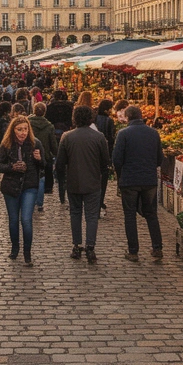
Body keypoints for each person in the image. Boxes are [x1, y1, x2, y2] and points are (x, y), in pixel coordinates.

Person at [57, 105, 111, 263]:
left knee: (75, 213)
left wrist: (63, 178)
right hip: (93, 182)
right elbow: (105, 161)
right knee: (92, 215)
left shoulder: (67, 137)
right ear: (90, 118)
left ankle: (77, 245)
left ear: (75, 118)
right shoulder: (99, 137)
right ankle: (90, 246)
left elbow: (60, 163)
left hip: (74, 181)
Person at [112, 105, 164, 262]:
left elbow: (117, 159)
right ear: (141, 116)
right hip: (149, 180)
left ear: (127, 117)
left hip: (129, 180)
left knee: (130, 215)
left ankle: (133, 251)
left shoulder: (123, 134)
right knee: (151, 214)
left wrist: (120, 175)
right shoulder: (153, 133)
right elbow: (160, 158)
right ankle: (157, 248)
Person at [0, 114, 44, 265]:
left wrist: (39, 159)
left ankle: (27, 252)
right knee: (13, 219)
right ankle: (15, 247)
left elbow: (44, 166)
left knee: (26, 219)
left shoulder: (35, 143)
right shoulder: (7, 144)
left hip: (29, 185)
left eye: (25, 129)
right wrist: (12, 167)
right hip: (11, 185)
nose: (23, 132)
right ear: (13, 130)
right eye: (19, 129)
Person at [28, 103, 59, 210]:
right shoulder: (49, 126)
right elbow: (53, 143)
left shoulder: (28, 123)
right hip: (45, 155)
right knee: (41, 178)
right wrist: (56, 153)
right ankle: (40, 202)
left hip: (30, 153)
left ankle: (31, 200)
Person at [93, 99, 117, 210]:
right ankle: (100, 200)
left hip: (93, 151)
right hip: (105, 151)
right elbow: (111, 138)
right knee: (103, 177)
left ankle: (94, 198)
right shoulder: (109, 121)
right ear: (107, 110)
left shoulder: (94, 119)